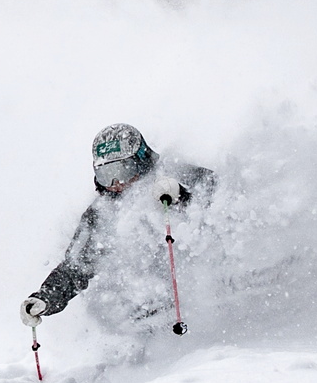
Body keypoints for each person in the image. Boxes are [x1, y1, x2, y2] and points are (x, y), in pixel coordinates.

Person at [20, 124, 216, 333]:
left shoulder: (178, 174)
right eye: (105, 175)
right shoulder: (100, 215)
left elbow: (226, 202)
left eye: (121, 171)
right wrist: (46, 297)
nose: (115, 183)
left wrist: (185, 198)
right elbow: (74, 268)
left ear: (140, 160)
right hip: (155, 305)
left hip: (205, 285)